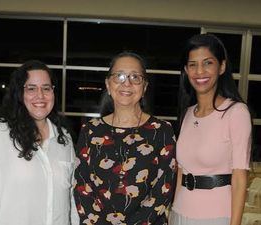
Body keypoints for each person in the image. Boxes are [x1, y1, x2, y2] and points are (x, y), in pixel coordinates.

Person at [0, 60, 79, 225]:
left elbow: (71, 201)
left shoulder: (64, 140)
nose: (40, 95)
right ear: (19, 93)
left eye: (46, 88)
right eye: (31, 88)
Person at [74, 52, 176, 225]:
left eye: (135, 77)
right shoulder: (90, 131)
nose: (127, 83)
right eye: (119, 76)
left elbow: (163, 189)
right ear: (108, 84)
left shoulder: (162, 131)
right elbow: (83, 186)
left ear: (144, 87)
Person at [170, 34, 252, 225]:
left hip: (216, 217)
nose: (200, 71)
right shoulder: (187, 114)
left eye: (208, 63)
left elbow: (240, 177)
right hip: (179, 213)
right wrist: (172, 211)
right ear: (185, 70)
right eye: (192, 65)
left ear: (221, 67)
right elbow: (182, 170)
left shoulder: (236, 112)